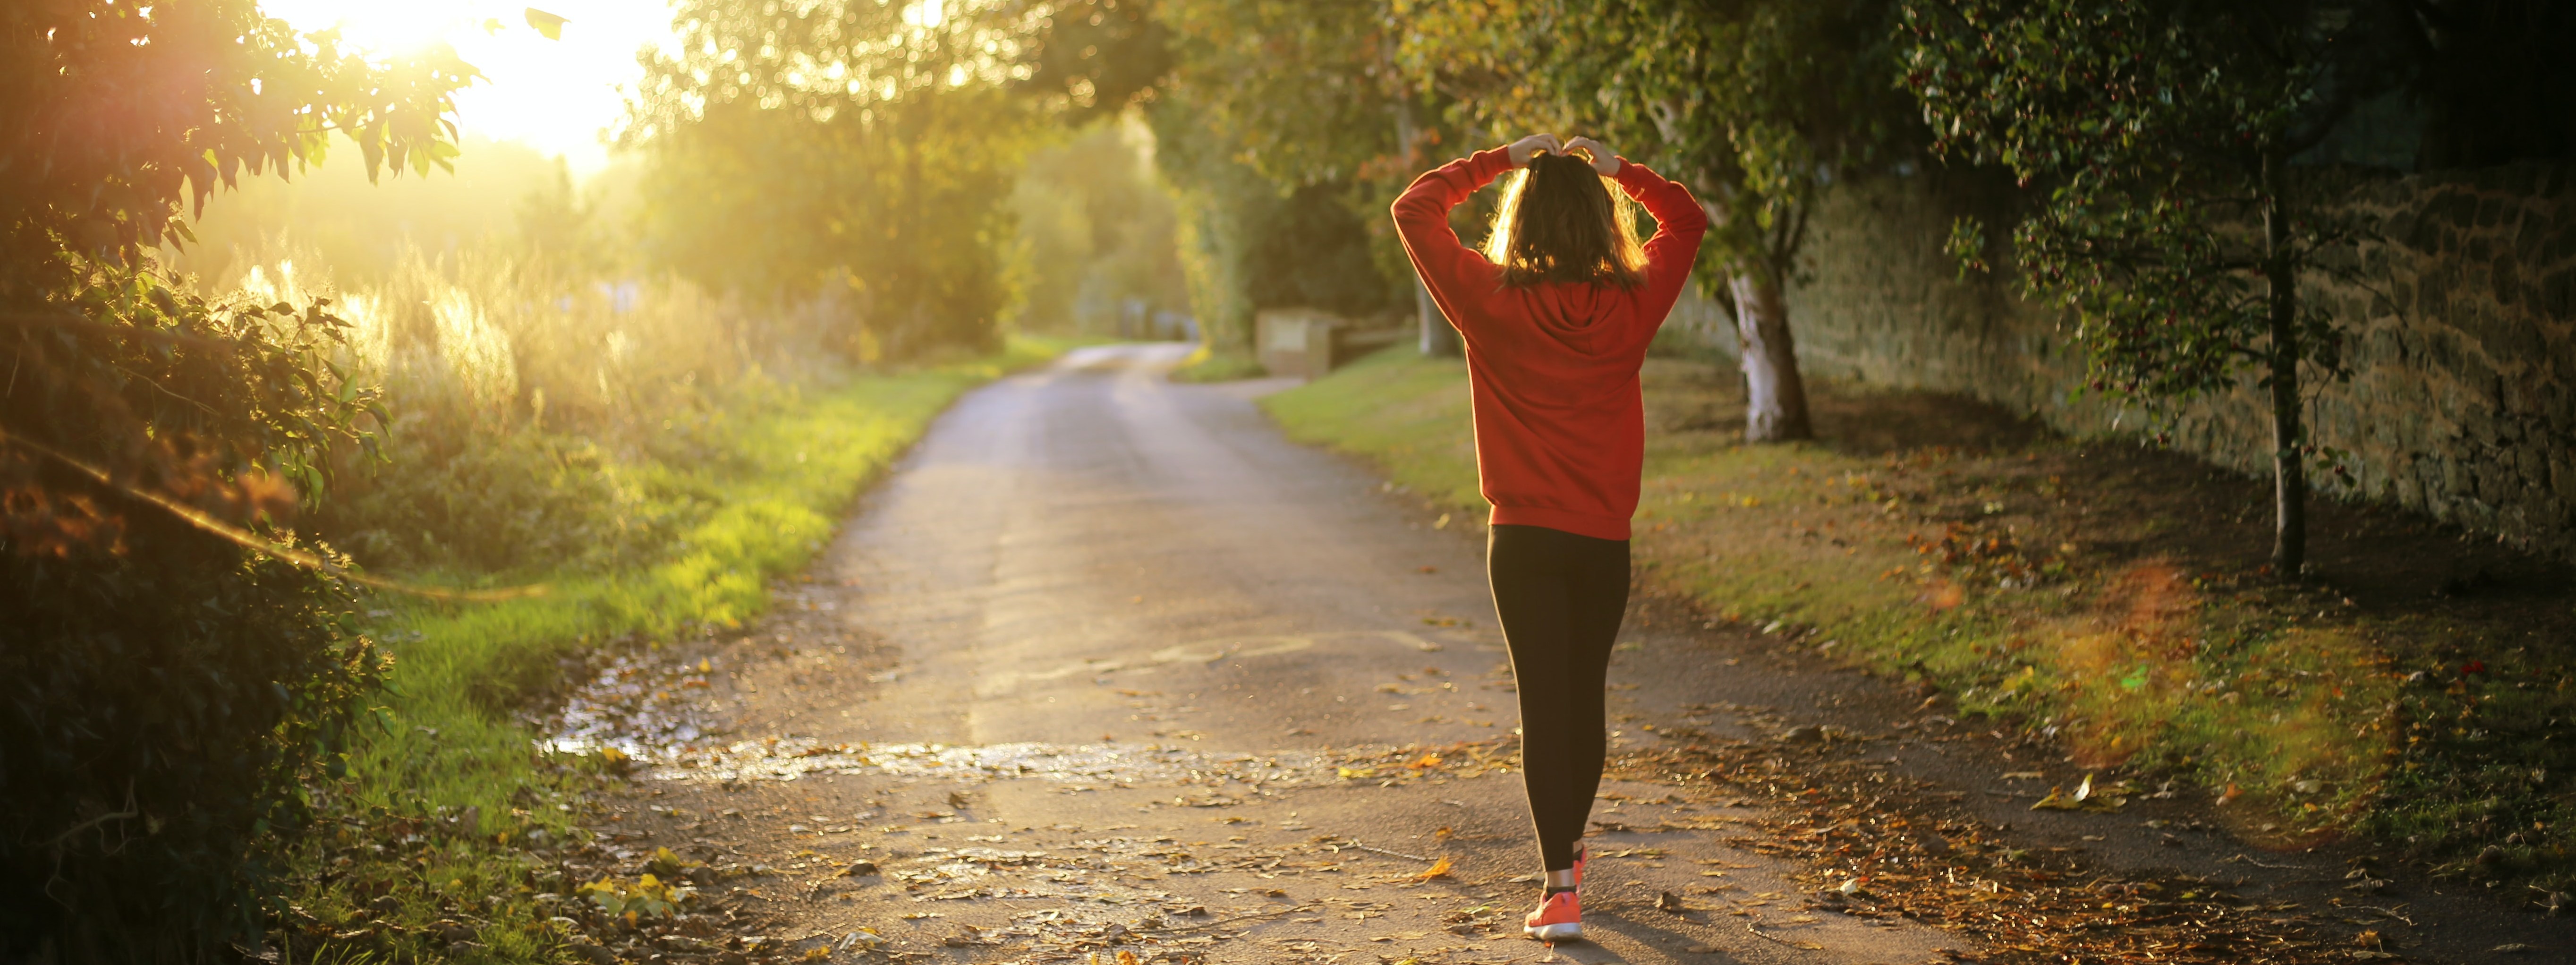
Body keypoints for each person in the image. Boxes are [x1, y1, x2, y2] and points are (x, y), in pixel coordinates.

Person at [1390, 133, 1709, 942]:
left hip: (1523, 539)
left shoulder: (1488, 298)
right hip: (1603, 539)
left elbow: (1414, 208)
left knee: (1544, 703)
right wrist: (1621, 171)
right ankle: (1567, 861)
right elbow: (1688, 218)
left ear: (1521, 220)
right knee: (1585, 696)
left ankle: (1560, 888)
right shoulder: (1634, 301)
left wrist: (1500, 159)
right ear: (1603, 223)